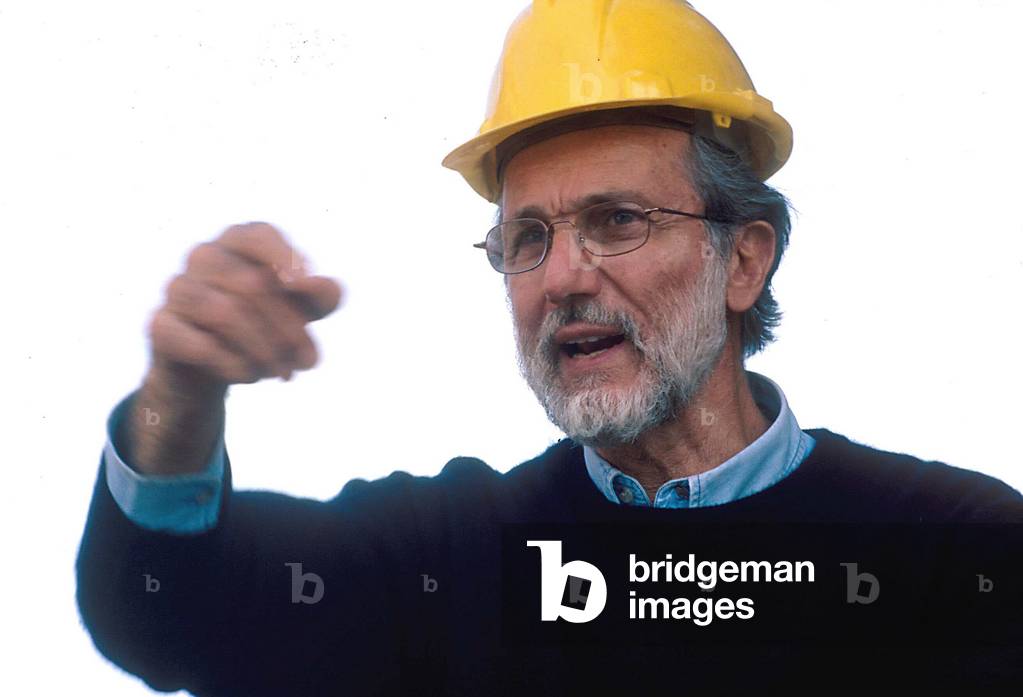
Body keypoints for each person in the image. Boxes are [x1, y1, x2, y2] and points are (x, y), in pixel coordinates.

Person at [76, 1, 1022, 694]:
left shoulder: (956, 552)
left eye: (616, 219)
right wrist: (181, 395)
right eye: (527, 238)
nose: (561, 275)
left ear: (743, 260)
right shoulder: (439, 561)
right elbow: (167, 615)